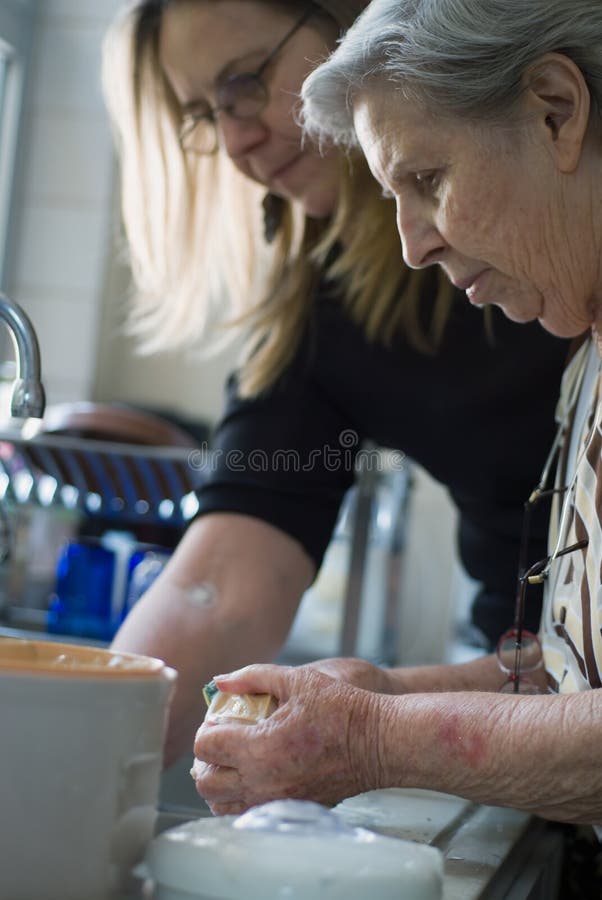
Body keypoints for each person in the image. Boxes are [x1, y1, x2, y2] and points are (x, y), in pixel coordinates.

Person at [191, 0, 602, 884]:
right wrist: (385, 693)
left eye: (429, 178)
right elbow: (578, 678)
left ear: (557, 112)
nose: (412, 246)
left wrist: (373, 738)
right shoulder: (586, 354)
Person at [102, 0, 569, 769]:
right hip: (531, 694)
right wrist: (84, 752)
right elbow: (216, 587)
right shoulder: (321, 314)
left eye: (246, 81)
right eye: (204, 113)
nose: (234, 139)